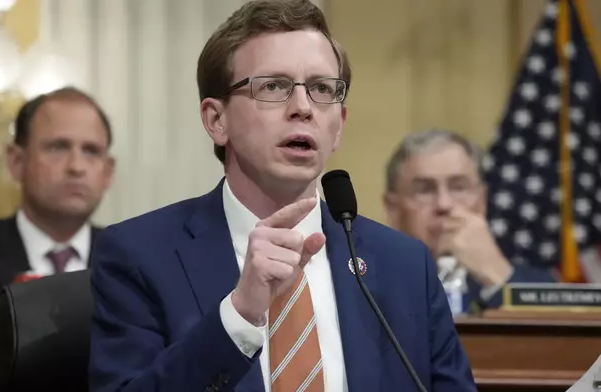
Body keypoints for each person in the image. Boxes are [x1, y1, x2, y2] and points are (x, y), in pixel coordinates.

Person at [88, 1, 476, 391]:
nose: (303, 108)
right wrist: (238, 317)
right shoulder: (139, 258)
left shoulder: (405, 267)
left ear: (338, 126)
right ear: (216, 120)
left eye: (322, 89)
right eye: (274, 86)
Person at [0, 87, 115, 306]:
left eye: (91, 151)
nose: (77, 167)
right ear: (17, 162)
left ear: (108, 172)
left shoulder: (134, 265)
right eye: (58, 148)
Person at [383, 129, 554, 311]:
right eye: (424, 190)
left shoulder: (540, 287)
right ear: (393, 209)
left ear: (482, 201)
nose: (443, 204)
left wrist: (496, 276)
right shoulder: (365, 286)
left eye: (458, 187)